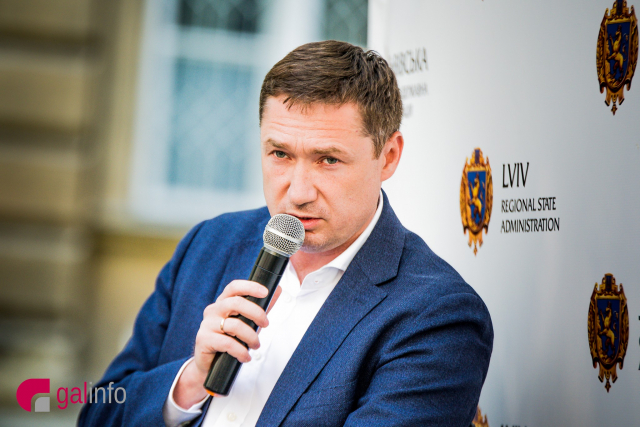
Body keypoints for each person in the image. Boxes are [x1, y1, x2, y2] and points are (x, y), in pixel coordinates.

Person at [78, 40, 493, 427]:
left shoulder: (437, 315)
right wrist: (189, 382)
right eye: (280, 153)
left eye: (328, 160)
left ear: (388, 157)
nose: (298, 193)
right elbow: (97, 413)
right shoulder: (208, 245)